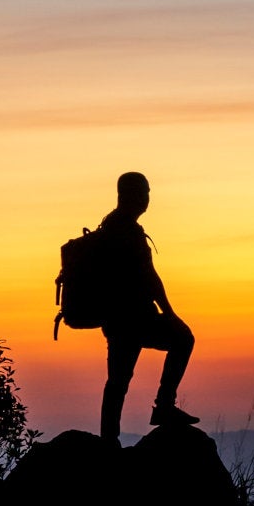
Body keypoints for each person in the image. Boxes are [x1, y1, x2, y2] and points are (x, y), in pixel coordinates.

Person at [94, 171, 197, 439]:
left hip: (118, 320)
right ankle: (163, 407)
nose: (146, 198)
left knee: (118, 381)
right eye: (143, 192)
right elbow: (149, 277)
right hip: (133, 319)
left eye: (148, 192)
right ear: (127, 195)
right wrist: (170, 314)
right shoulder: (125, 231)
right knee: (183, 338)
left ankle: (109, 441)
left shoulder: (111, 227)